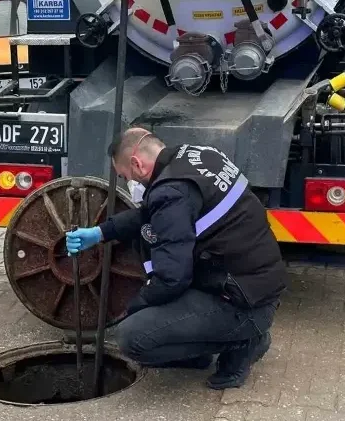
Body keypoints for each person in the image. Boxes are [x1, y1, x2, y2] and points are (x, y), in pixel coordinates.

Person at [66, 127, 287, 390]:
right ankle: (201, 349)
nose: (130, 183)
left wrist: (135, 307)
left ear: (137, 164)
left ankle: (245, 342)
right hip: (254, 284)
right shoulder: (193, 156)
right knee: (156, 318)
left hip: (244, 301)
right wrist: (101, 232)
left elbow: (172, 278)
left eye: (126, 176)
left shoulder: (172, 191)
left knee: (132, 336)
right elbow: (151, 213)